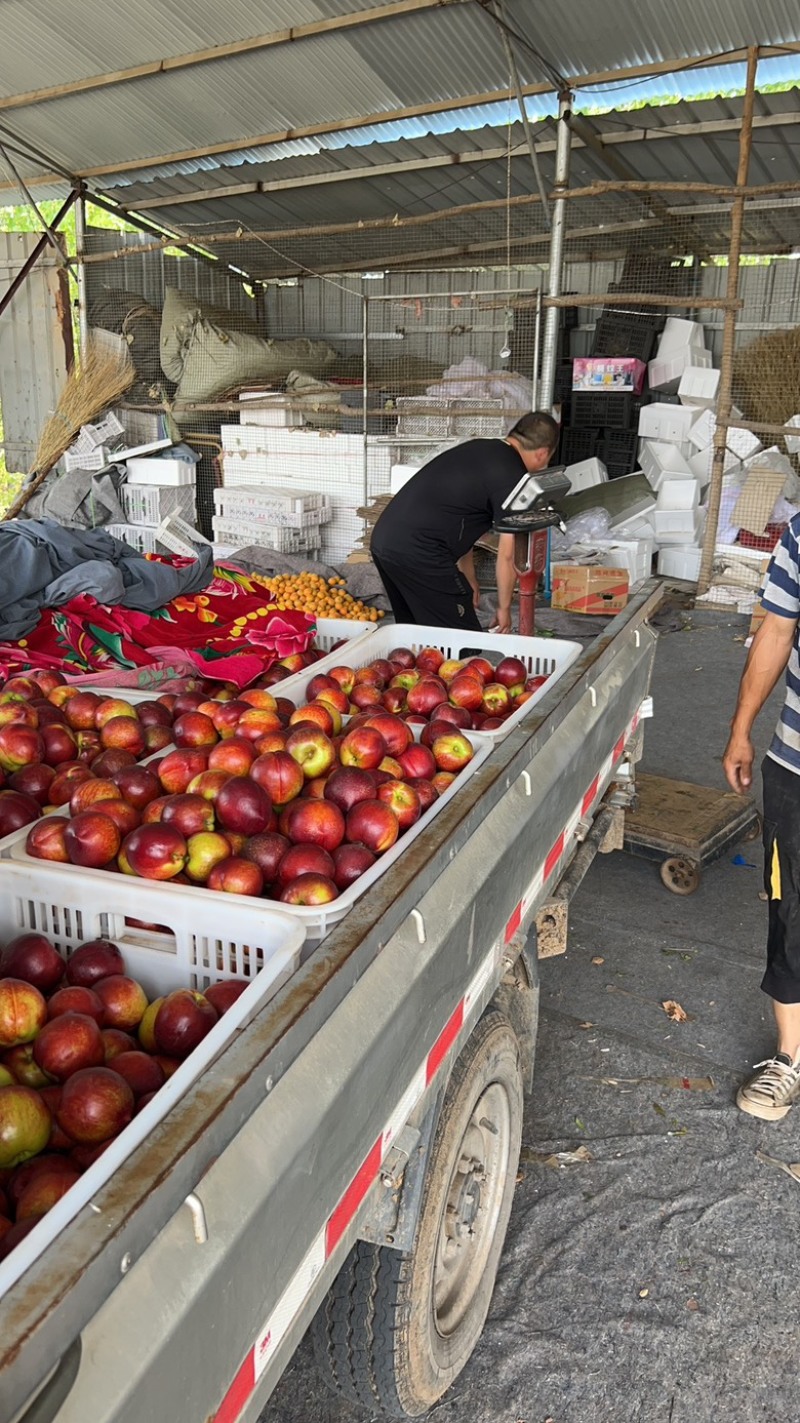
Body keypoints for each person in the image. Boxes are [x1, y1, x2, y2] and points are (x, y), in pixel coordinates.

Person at [723, 514, 800, 1119]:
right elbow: (777, 631)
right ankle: (789, 1057)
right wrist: (742, 728)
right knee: (791, 907)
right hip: (797, 763)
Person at [370, 411, 559, 634]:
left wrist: (469, 579)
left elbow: (458, 516)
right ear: (543, 453)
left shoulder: (480, 449)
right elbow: (508, 555)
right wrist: (504, 608)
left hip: (384, 542)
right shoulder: (511, 477)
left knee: (416, 636)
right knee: (462, 643)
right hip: (421, 552)